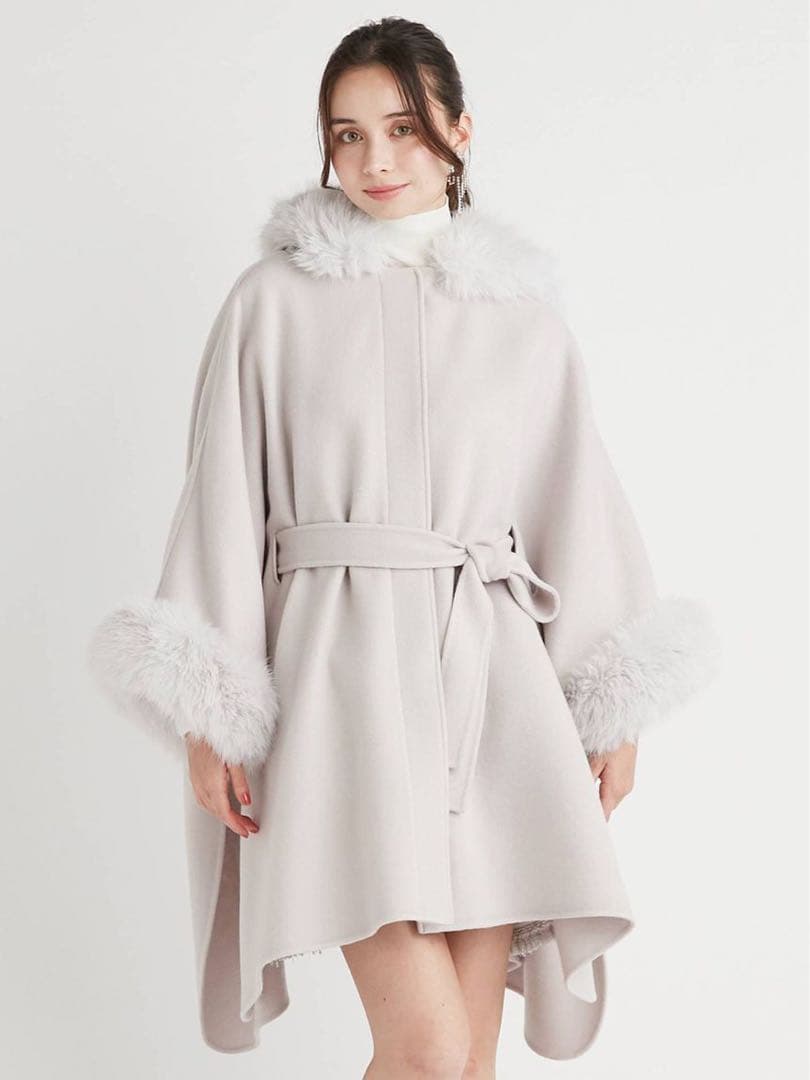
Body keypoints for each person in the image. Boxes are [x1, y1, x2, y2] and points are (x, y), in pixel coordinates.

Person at [87, 16, 720, 1078]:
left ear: (460, 131)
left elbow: (576, 502)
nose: (375, 160)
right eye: (347, 135)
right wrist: (209, 710)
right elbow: (220, 502)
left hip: (494, 698)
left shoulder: (524, 319)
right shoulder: (270, 305)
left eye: (403, 129)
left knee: (469, 1059)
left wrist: (612, 708)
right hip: (338, 696)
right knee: (424, 1049)